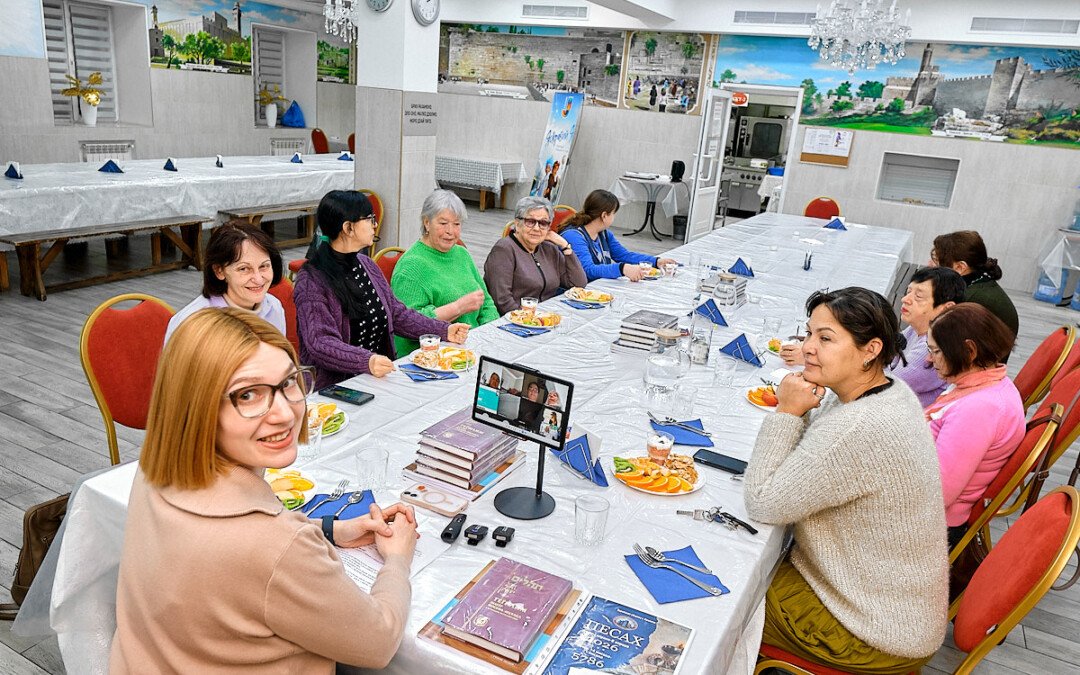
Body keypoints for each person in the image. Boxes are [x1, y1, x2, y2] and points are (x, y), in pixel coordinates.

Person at [111, 308, 418, 672]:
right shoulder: (274, 546)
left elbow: (231, 550)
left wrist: (331, 529)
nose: (285, 414)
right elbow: (378, 642)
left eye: (289, 382)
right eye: (247, 396)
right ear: (197, 405)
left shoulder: (153, 469)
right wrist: (398, 559)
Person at [744, 287, 948, 674]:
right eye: (808, 334)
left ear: (871, 349)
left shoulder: (859, 426)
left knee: (726, 603)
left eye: (825, 339)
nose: (807, 348)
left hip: (868, 630)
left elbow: (764, 501)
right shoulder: (888, 391)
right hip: (889, 605)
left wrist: (788, 412)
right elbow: (810, 464)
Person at [294, 190, 468, 389]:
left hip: (378, 377)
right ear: (348, 228)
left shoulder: (366, 264)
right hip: (337, 389)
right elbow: (320, 342)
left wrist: (443, 330)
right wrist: (366, 361)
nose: (375, 225)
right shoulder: (311, 280)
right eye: (369, 219)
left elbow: (396, 313)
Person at [779, 267, 966, 408]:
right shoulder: (915, 330)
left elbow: (882, 380)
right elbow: (884, 357)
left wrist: (816, 360)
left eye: (918, 297)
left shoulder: (935, 348)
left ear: (946, 308)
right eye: (908, 292)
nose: (905, 299)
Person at [925, 303, 1024, 547]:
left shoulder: (979, 409)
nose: (929, 359)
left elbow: (936, 494)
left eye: (936, 351)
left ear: (969, 351)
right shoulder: (989, 384)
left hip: (932, 525)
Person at [391, 190, 498, 355]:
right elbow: (409, 323)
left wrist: (488, 335)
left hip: (472, 346)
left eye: (456, 224)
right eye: (443, 223)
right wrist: (458, 307)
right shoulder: (411, 266)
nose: (451, 231)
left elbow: (487, 303)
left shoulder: (462, 254)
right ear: (427, 223)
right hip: (429, 356)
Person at [164, 222, 285, 344]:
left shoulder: (274, 308)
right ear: (219, 271)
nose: (258, 279)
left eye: (264, 266)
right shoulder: (191, 324)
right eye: (244, 269)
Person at [483, 196, 587, 315]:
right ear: (517, 224)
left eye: (543, 223)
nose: (537, 228)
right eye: (530, 222)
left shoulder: (549, 249)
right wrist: (532, 321)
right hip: (516, 322)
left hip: (547, 317)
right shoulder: (503, 250)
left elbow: (578, 284)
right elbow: (502, 301)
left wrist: (565, 246)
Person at [562, 189, 676, 281]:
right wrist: (622, 269)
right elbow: (588, 270)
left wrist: (656, 262)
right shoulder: (574, 236)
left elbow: (625, 255)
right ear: (604, 215)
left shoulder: (604, 234)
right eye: (613, 214)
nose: (614, 217)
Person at [931, 231, 1018, 337]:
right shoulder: (979, 280)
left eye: (937, 262)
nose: (930, 266)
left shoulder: (970, 299)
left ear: (960, 267)